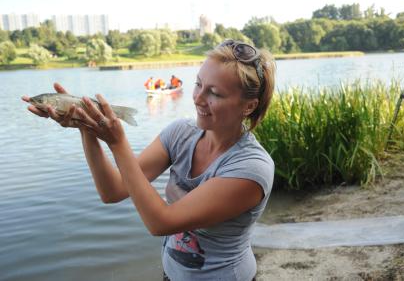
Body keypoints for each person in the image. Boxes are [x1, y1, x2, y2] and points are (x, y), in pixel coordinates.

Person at [22, 39, 276, 281]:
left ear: (249, 106)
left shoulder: (251, 168)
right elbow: (113, 191)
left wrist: (117, 142)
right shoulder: (181, 134)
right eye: (198, 84)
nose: (198, 99)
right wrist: (87, 127)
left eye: (215, 94)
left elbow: (161, 222)